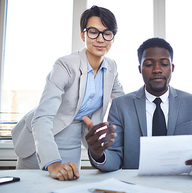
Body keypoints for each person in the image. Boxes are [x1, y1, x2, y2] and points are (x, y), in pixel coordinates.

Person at [11, 5, 124, 181]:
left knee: (68, 187)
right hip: (41, 139)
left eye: (107, 33)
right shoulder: (65, 65)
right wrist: (53, 163)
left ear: (113, 38)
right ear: (83, 35)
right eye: (93, 32)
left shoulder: (112, 67)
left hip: (73, 140)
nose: (100, 39)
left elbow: (123, 104)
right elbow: (42, 117)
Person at [83, 37, 192, 177]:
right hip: (137, 187)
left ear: (172, 68)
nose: (157, 70)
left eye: (164, 64)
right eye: (149, 64)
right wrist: (98, 155)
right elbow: (115, 157)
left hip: (182, 185)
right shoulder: (121, 105)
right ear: (140, 69)